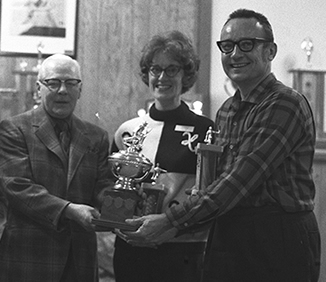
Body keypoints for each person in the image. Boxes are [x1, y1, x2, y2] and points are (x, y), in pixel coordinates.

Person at [121, 9, 321, 282]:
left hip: (277, 236)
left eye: (247, 44)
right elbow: (216, 182)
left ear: (270, 51)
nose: (235, 54)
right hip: (229, 232)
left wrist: (171, 221)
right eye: (227, 46)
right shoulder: (227, 110)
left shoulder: (285, 103)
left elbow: (238, 181)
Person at [111, 30, 214, 282]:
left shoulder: (206, 130)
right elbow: (111, 186)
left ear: (186, 74)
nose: (162, 77)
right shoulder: (127, 130)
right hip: (131, 247)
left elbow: (211, 194)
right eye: (155, 69)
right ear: (147, 74)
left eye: (172, 69)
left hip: (182, 250)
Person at [0, 54, 111, 282]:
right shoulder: (13, 129)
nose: (62, 90)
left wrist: (122, 204)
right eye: (53, 82)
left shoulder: (97, 137)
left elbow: (103, 186)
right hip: (28, 258)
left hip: (80, 260)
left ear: (80, 90)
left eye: (71, 83)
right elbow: (17, 188)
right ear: (38, 88)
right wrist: (69, 209)